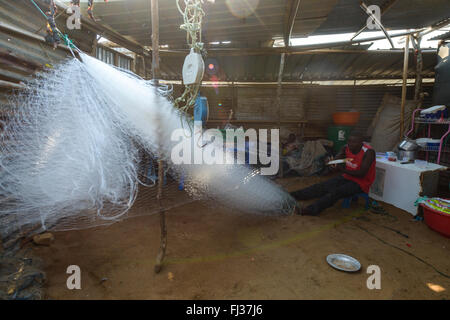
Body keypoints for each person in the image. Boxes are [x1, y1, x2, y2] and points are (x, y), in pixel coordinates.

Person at [290, 135, 376, 216]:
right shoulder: (346, 148)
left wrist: (342, 169)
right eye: (349, 141)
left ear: (361, 142)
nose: (351, 144)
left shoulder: (369, 152)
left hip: (361, 182)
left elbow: (361, 174)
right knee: (322, 186)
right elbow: (336, 160)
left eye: (354, 142)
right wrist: (331, 163)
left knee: (336, 192)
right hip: (347, 176)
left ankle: (310, 210)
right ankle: (292, 195)